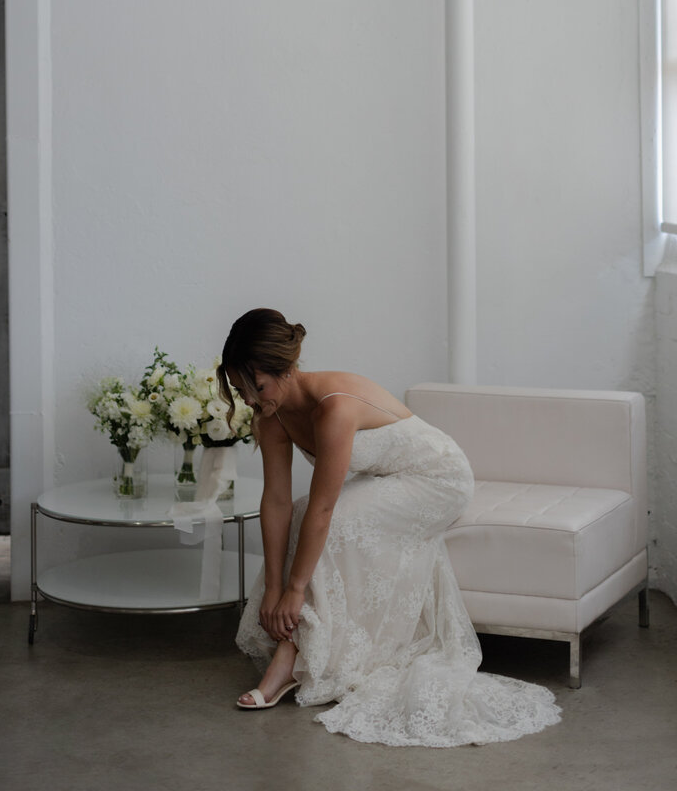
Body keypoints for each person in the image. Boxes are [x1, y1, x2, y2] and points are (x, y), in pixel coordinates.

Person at [217, 308, 561, 747]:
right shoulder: (272, 413)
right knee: (302, 513)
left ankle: (290, 657)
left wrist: (295, 590)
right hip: (383, 478)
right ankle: (299, 648)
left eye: (256, 386)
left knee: (329, 522)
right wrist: (271, 591)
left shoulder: (334, 407)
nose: (248, 399)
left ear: (286, 370)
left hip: (436, 478)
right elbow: (278, 501)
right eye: (240, 389)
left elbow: (325, 511)